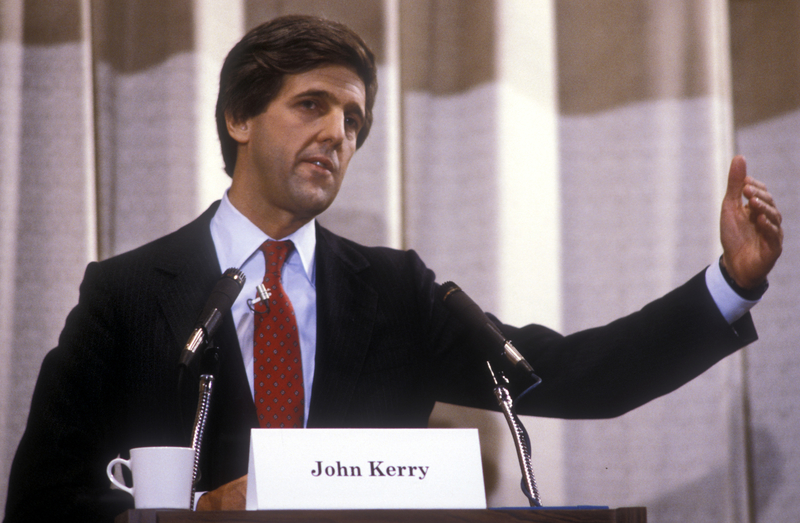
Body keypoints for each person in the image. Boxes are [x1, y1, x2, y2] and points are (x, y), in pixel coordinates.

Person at [4, 14, 783, 522]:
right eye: (311, 105)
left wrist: (731, 281)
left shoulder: (397, 293)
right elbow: (39, 501)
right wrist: (197, 508)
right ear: (239, 118)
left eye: (354, 120)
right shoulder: (130, 293)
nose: (339, 134)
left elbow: (578, 375)